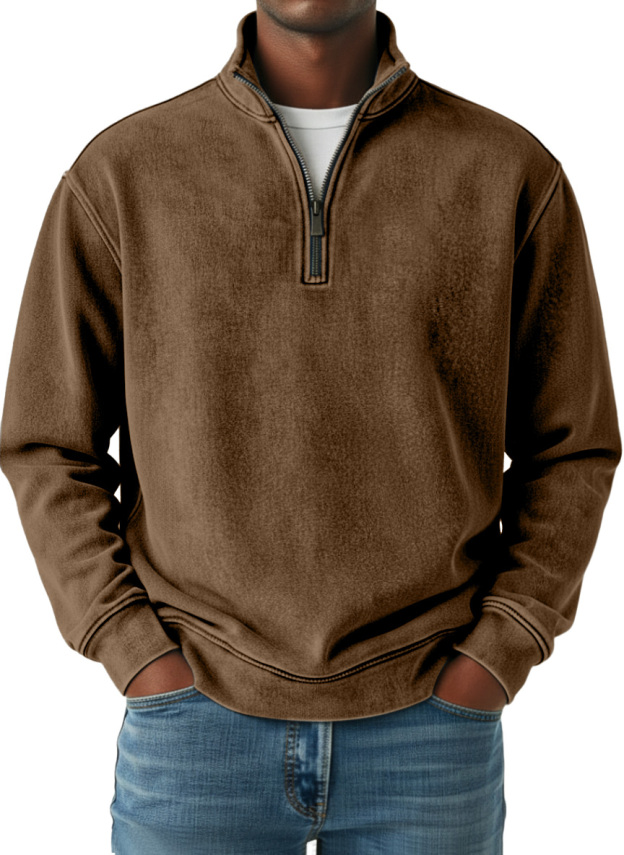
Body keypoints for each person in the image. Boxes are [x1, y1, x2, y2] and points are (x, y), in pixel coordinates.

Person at [0, 1, 620, 852]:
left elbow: (574, 445)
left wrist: (497, 652)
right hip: (195, 722)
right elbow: (47, 442)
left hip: (430, 726)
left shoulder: (507, 170)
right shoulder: (124, 172)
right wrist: (133, 648)